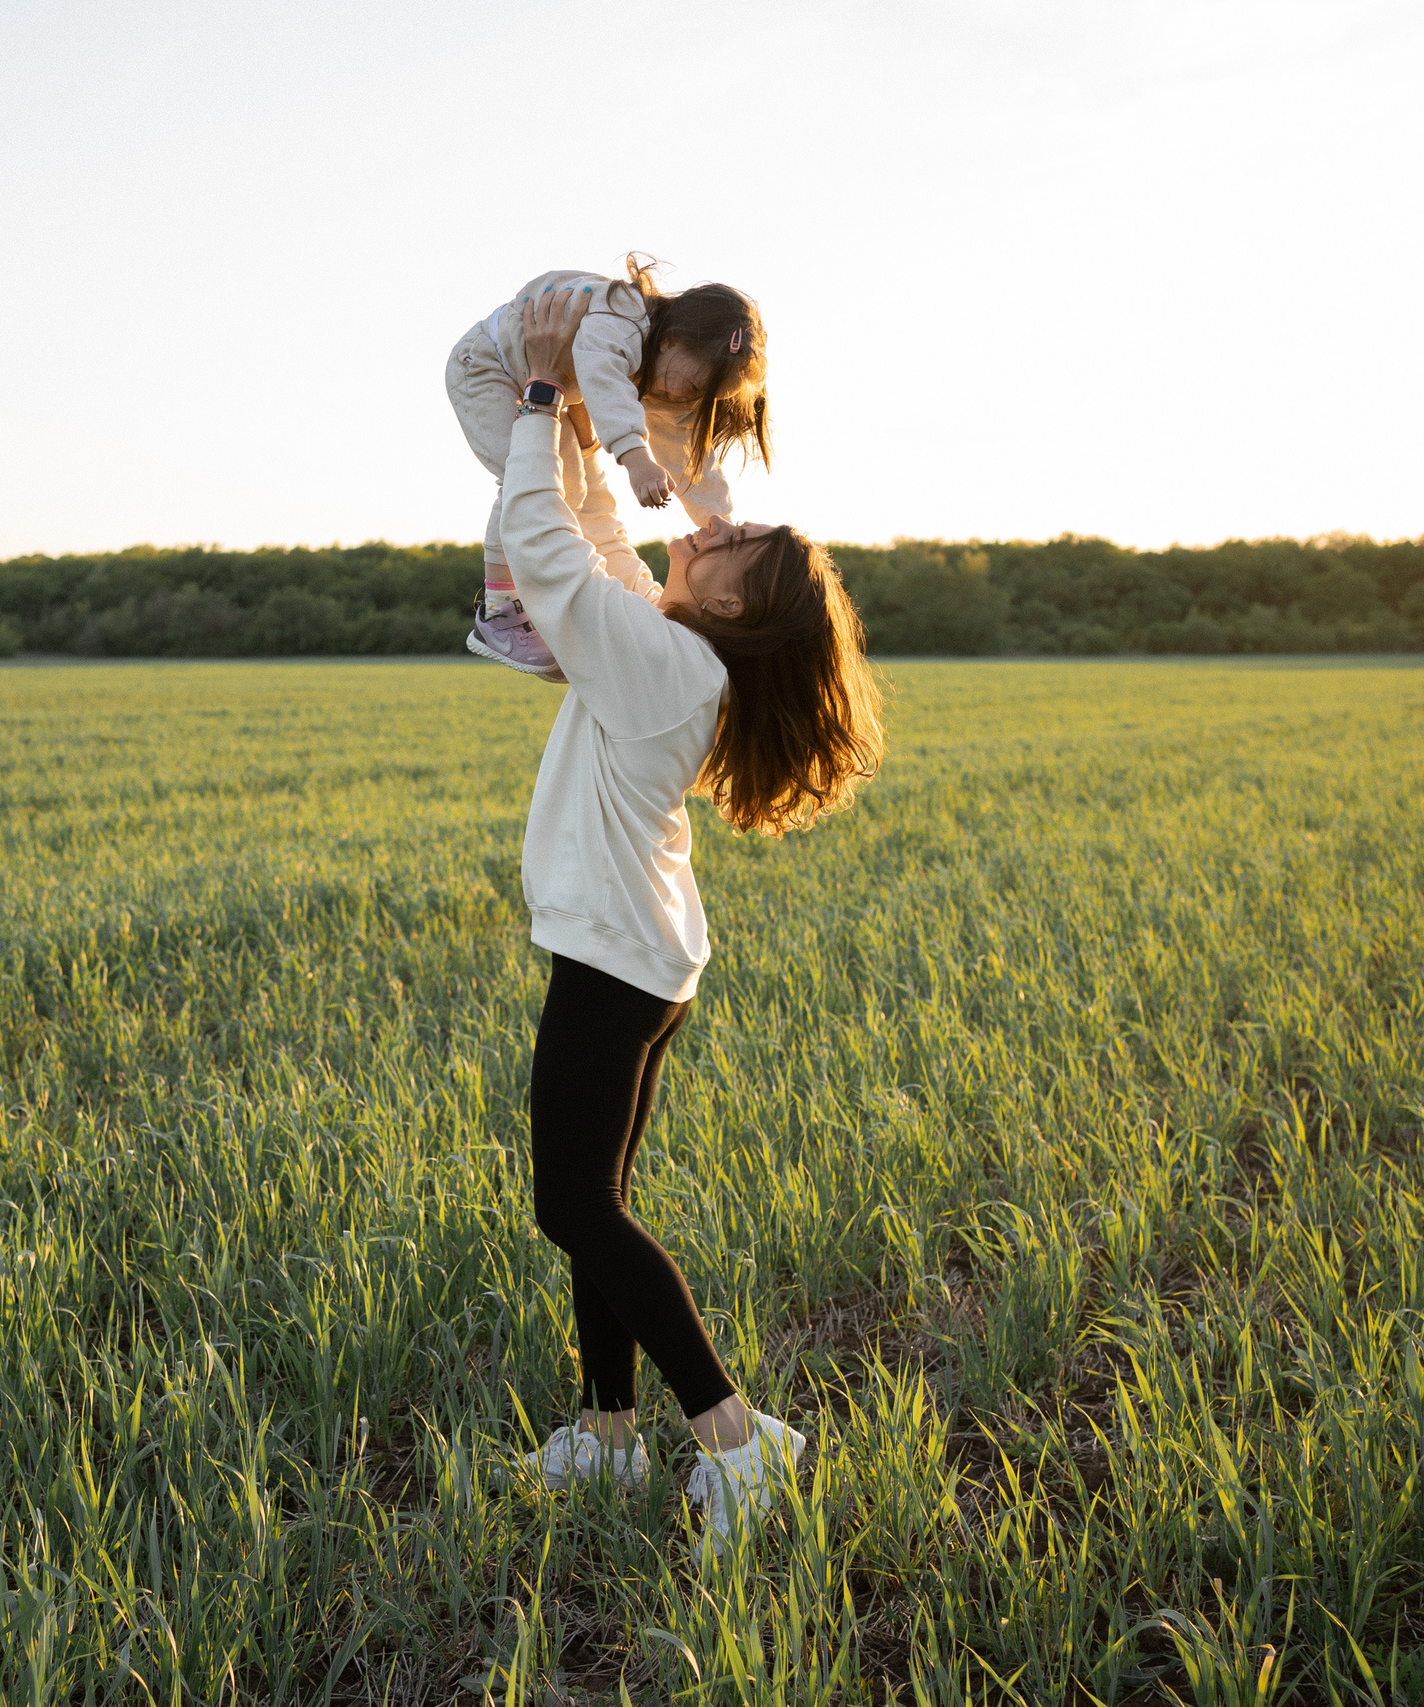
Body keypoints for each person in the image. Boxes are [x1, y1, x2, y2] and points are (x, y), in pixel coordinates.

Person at [492, 290, 883, 1560]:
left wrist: (549, 397)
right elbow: (599, 543)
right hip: (637, 953)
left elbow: (545, 553)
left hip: (616, 960)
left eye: (736, 540)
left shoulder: (665, 663)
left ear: (732, 603)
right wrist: (581, 434)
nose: (716, 525)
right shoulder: (677, 651)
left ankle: (734, 1438)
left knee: (572, 1207)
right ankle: (607, 1440)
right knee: (595, 1194)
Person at [446, 255, 772, 679]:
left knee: (569, 492)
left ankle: (530, 604)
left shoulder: (660, 366)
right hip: (488, 367)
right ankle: (500, 608)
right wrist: (635, 458)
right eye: (691, 387)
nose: (685, 401)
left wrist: (720, 526)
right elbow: (602, 379)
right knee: (528, 479)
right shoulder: (622, 314)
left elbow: (687, 455)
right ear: (673, 338)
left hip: (548, 391)